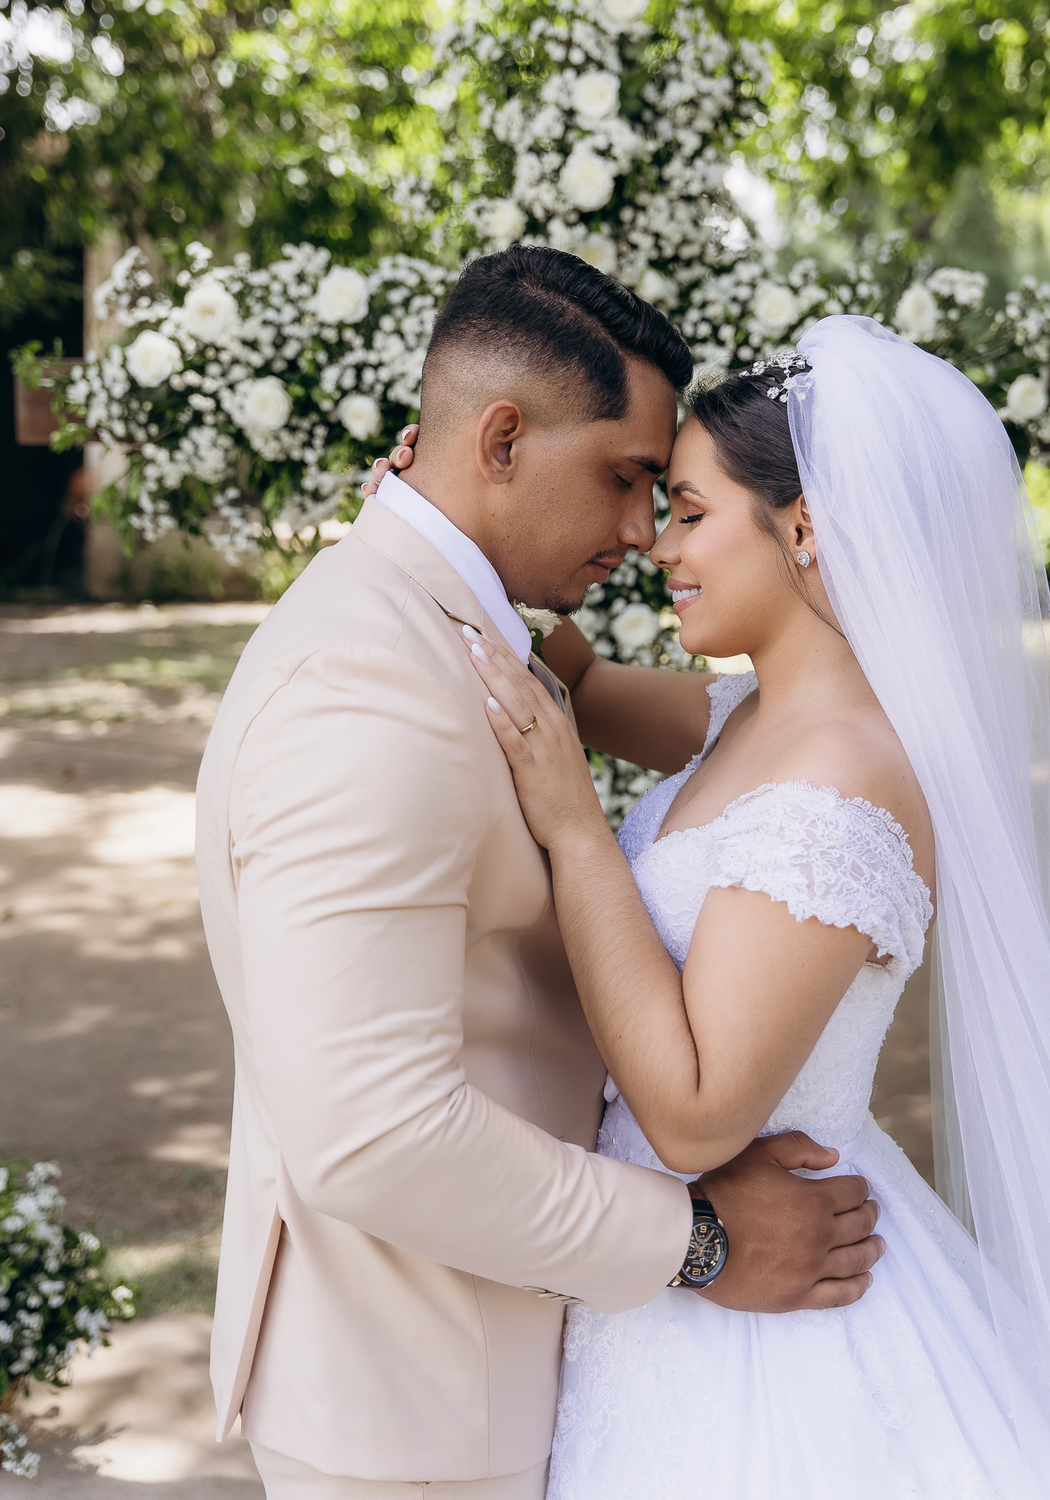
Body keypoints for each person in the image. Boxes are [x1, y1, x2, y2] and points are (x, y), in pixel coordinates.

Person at [455, 315, 1050, 1498]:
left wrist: (576, 826)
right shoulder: (747, 715)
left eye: (690, 512)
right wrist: (456, 514)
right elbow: (575, 682)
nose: (659, 545)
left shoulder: (842, 787)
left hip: (770, 1319)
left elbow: (697, 1115)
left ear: (803, 527)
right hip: (671, 1279)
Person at [194, 250, 884, 1500]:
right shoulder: (367, 686)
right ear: (501, 439)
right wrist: (698, 1239)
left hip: (525, 1354)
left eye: (675, 501)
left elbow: (617, 694)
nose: (643, 533)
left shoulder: (457, 632)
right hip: (419, 1399)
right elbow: (374, 1133)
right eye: (628, 480)